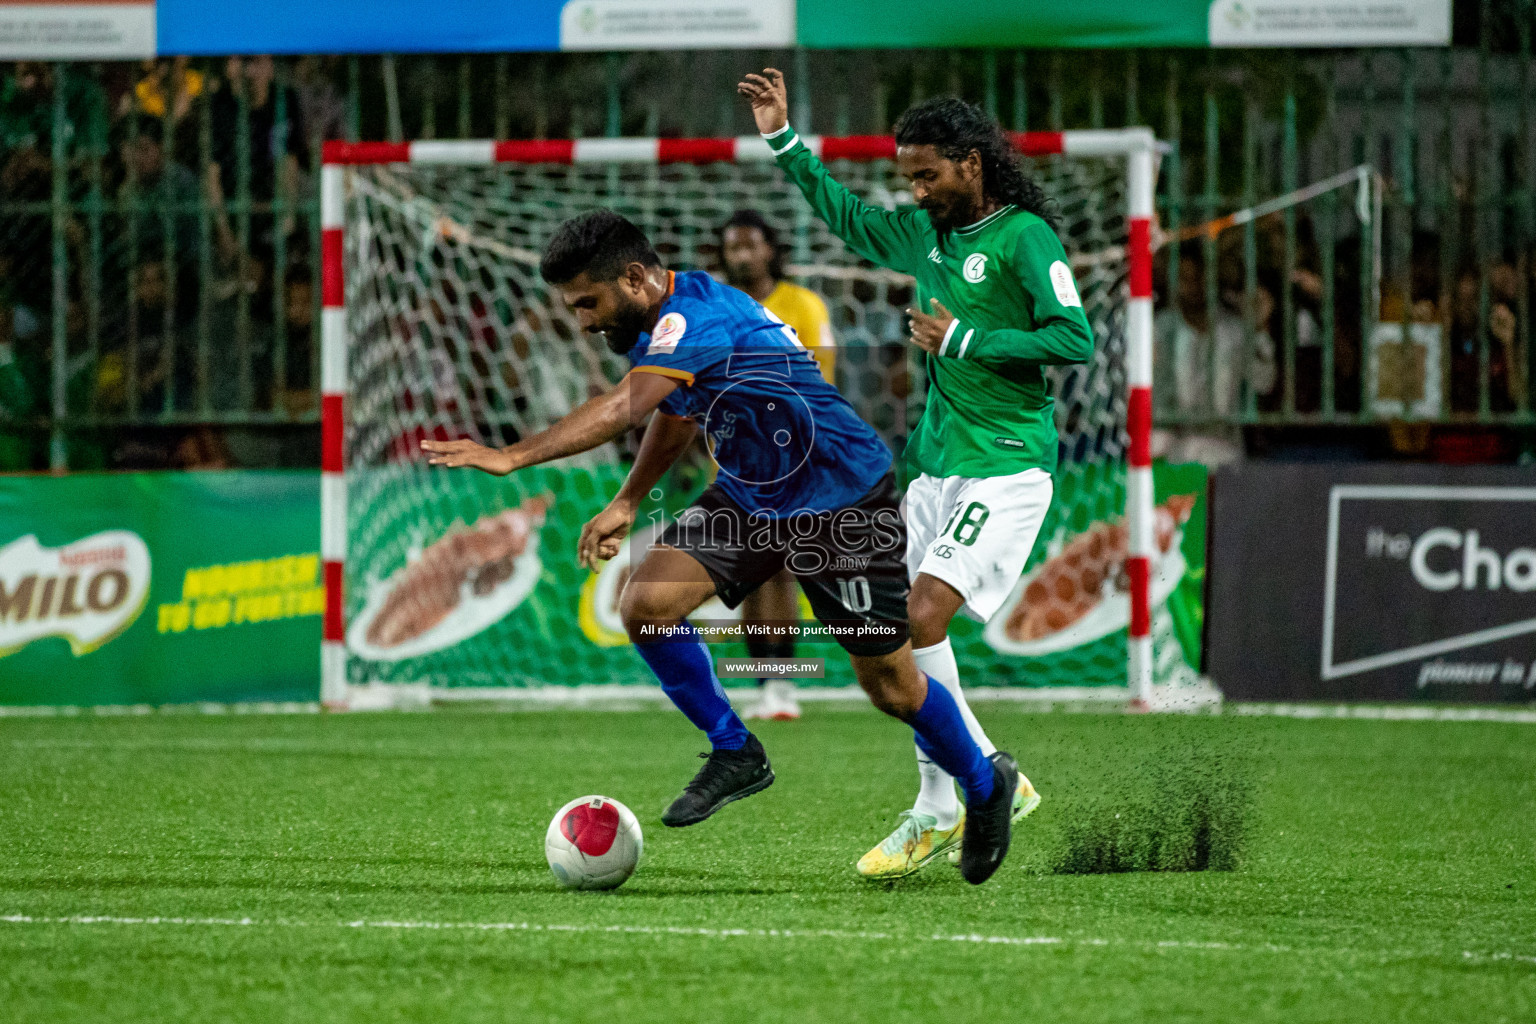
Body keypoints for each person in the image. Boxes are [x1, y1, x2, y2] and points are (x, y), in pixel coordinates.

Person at [423, 210, 1020, 884]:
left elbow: (629, 405)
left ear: (636, 277)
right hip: (752, 493)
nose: (585, 321)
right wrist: (626, 498)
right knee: (646, 604)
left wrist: (512, 455)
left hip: (839, 495)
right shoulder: (665, 319)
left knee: (891, 687)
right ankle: (735, 749)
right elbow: (677, 411)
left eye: (588, 302)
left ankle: (985, 780)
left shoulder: (694, 319)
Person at [740, 68, 1090, 878]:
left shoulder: (1024, 239)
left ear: (972, 163)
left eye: (928, 175)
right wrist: (782, 137)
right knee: (886, 638)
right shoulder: (922, 237)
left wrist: (965, 340)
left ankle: (942, 805)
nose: (917, 191)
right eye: (908, 177)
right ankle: (989, 778)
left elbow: (1073, 339)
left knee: (922, 618)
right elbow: (843, 214)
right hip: (934, 472)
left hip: (1006, 468)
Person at [718, 208, 838, 721]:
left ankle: (784, 683)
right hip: (732, 459)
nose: (741, 254)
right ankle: (761, 681)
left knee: (781, 570)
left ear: (770, 248)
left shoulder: (802, 306)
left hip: (792, 459)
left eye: (750, 244)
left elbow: (819, 382)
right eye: (732, 246)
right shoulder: (717, 308)